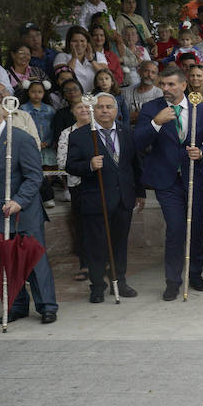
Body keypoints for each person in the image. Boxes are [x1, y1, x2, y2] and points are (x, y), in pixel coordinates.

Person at [133, 67, 203, 301]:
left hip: (193, 177)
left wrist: (202, 152)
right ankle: (173, 281)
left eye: (170, 84)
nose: (165, 89)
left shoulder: (201, 109)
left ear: (183, 85)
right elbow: (137, 142)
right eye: (163, 85)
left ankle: (195, 274)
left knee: (196, 227)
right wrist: (156, 123)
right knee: (176, 229)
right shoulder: (151, 109)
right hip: (166, 180)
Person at [64, 93, 142, 302]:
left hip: (123, 198)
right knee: (96, 244)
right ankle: (97, 286)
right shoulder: (80, 135)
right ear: (93, 110)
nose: (105, 110)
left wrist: (140, 193)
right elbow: (70, 166)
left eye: (109, 107)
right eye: (100, 107)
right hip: (95, 199)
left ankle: (120, 281)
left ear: (116, 111)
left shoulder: (127, 133)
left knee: (120, 244)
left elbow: (135, 165)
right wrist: (89, 165)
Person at [0, 99, 57, 324]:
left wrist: (19, 201)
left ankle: (47, 306)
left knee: (34, 260)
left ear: (3, 109)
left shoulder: (20, 139)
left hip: (24, 210)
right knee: (7, 261)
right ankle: (16, 305)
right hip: (0, 212)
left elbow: (35, 176)